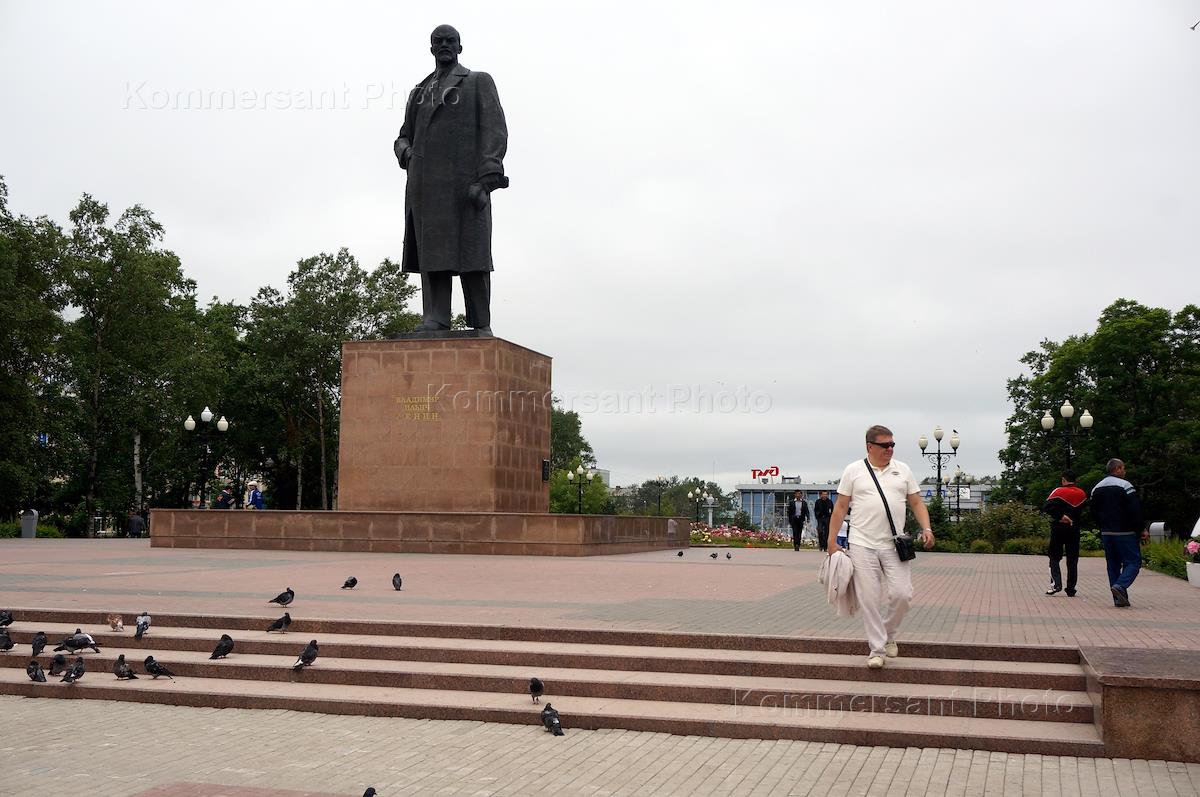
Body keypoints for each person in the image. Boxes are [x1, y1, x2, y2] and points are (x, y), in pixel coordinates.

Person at [394, 24, 509, 334]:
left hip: (464, 183)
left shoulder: (477, 81)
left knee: (472, 256)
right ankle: (436, 317)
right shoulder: (419, 91)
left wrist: (488, 177)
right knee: (433, 253)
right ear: (431, 48)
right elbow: (403, 135)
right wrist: (406, 153)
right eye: (438, 41)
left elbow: (495, 129)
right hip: (426, 186)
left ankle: (480, 323)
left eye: (450, 40)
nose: (444, 45)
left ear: (459, 47)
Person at [827, 425, 935, 669]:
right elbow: (841, 507)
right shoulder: (853, 470)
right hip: (862, 543)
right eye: (885, 445)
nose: (890, 449)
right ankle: (877, 650)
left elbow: (917, 503)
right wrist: (831, 541)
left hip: (894, 544)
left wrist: (927, 528)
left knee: (902, 594)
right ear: (870, 447)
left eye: (892, 444)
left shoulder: (902, 470)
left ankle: (887, 634)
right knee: (869, 598)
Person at [1091, 458, 1147, 607]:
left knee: (1113, 565)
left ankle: (1119, 599)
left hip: (1106, 532)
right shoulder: (1125, 485)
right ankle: (1121, 586)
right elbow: (1134, 509)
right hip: (1125, 532)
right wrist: (1141, 528)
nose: (1124, 471)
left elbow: (1093, 511)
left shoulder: (1096, 488)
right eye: (1123, 468)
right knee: (1134, 562)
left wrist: (1102, 526)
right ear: (1116, 469)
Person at [1041, 470, 1087, 596]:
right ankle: (1071, 588)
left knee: (1054, 557)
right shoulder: (1082, 493)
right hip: (1074, 528)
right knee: (1072, 559)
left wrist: (1061, 516)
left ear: (1063, 480)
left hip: (1059, 528)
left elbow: (1047, 507)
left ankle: (1056, 584)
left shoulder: (1058, 492)